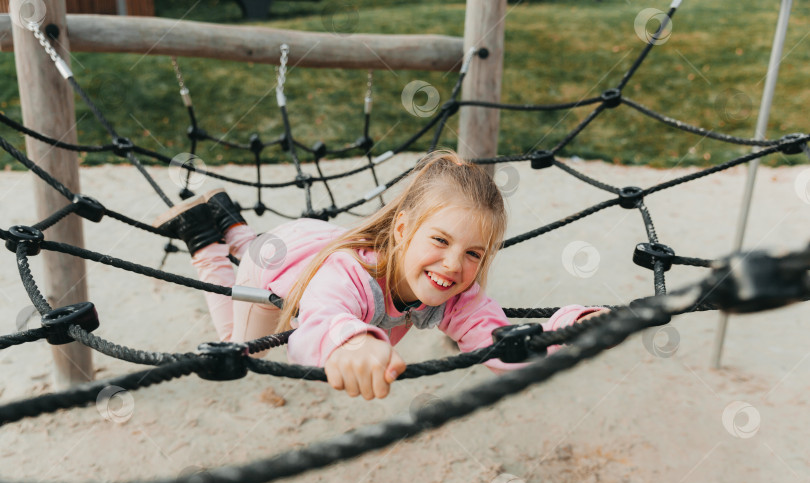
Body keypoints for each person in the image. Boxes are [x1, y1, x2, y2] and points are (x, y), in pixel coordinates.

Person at [153, 151, 605, 400]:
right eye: (441, 241)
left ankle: (228, 218)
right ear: (404, 229)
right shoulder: (349, 277)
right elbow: (323, 319)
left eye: (473, 253)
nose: (453, 265)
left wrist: (566, 330)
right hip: (281, 265)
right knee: (239, 349)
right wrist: (352, 341)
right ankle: (203, 239)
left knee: (260, 244)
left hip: (306, 239)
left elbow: (497, 337)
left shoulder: (455, 290)